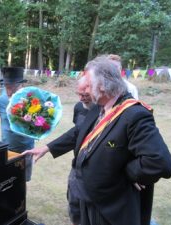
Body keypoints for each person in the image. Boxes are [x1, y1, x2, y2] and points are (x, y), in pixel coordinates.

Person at [23, 56, 171, 225]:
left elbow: (160, 162)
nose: (84, 91)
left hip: (106, 206)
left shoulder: (135, 114)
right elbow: (78, 132)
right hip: (82, 196)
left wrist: (127, 174)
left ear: (102, 85)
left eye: (87, 84)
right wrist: (46, 148)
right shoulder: (98, 107)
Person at [0, 67, 35, 181]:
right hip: (7, 149)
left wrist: (31, 121)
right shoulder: (0, 101)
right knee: (7, 180)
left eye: (11, 87)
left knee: (22, 181)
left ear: (21, 85)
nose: (8, 91)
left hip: (27, 149)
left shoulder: (32, 101)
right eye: (6, 87)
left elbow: (40, 125)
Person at [68, 75, 97, 225]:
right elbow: (76, 131)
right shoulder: (79, 107)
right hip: (77, 163)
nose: (81, 99)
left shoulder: (106, 111)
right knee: (73, 203)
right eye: (78, 94)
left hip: (94, 170)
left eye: (85, 95)